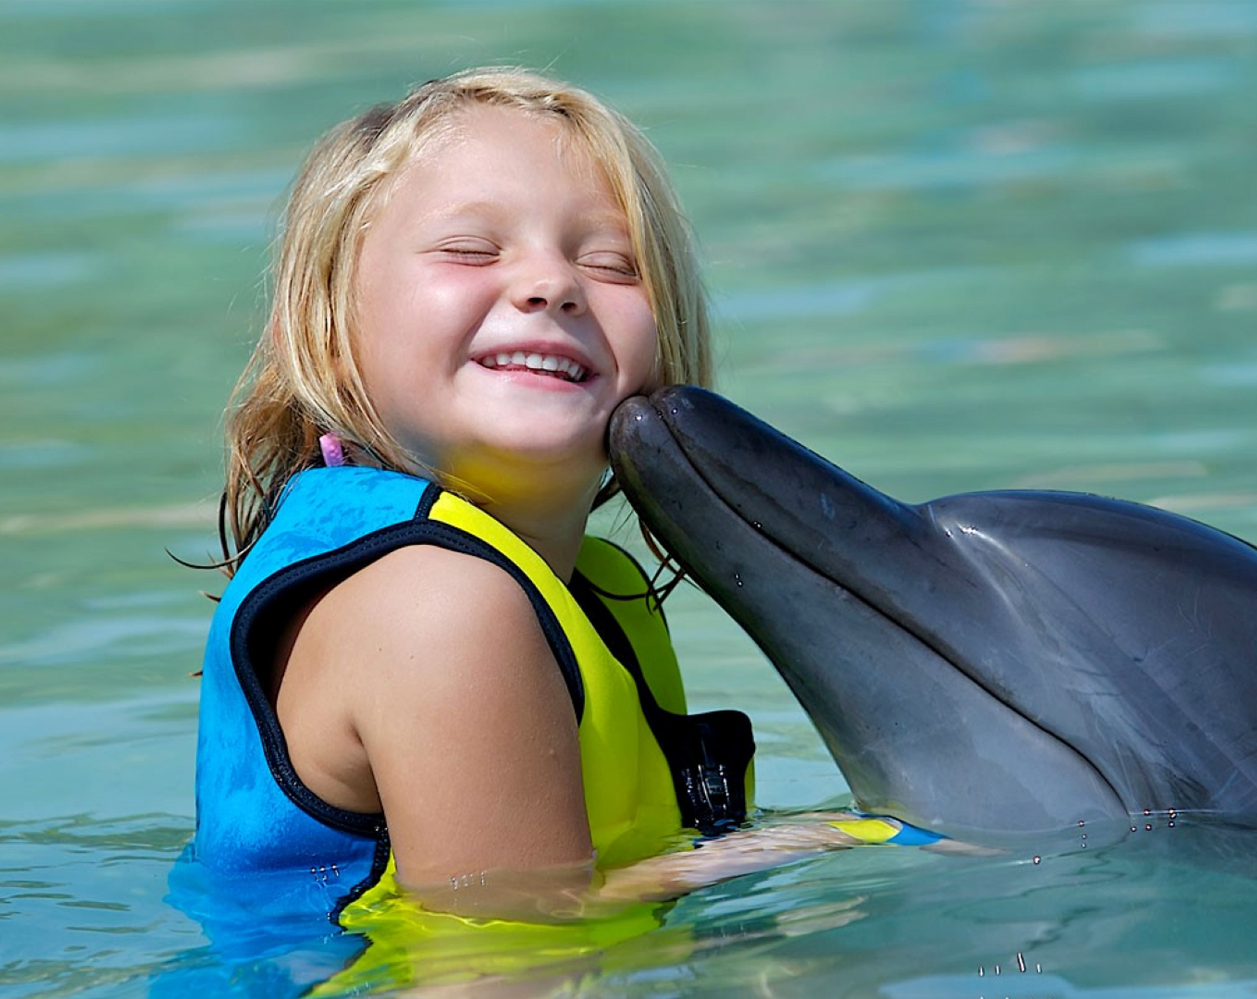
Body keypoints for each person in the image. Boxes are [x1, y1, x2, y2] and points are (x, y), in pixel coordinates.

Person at [178, 67, 930, 935]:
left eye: (610, 263)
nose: (551, 285)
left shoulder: (585, 588)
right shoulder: (437, 605)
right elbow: (509, 952)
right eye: (469, 250)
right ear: (328, 334)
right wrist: (851, 838)